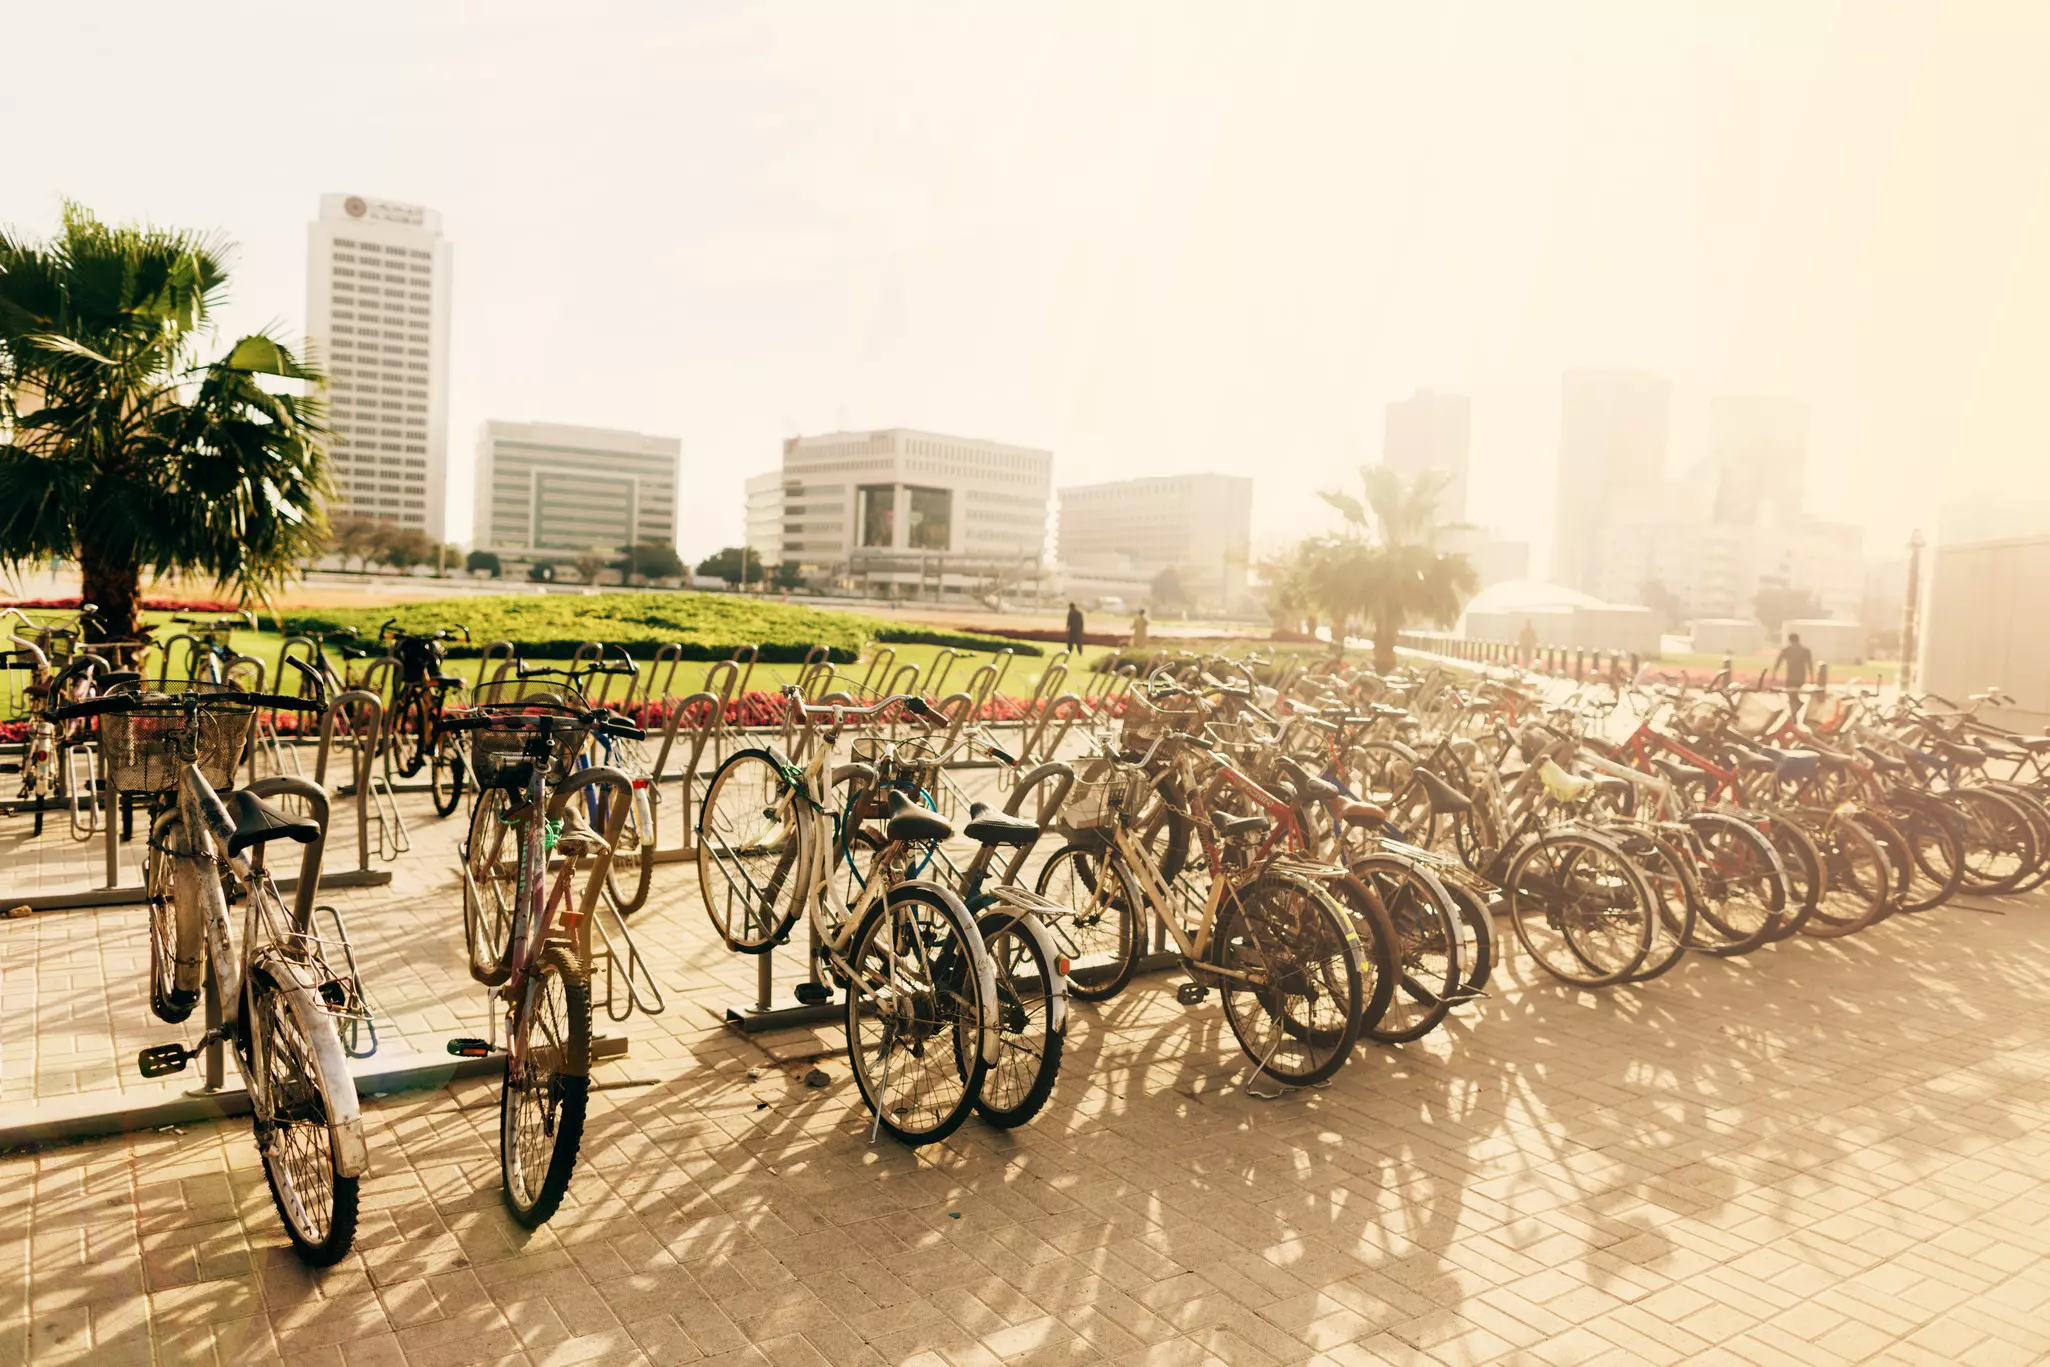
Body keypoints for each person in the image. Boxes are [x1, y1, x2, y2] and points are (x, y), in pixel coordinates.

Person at [1771, 631, 1815, 710]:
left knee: (1791, 695)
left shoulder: (1786, 650)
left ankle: (1797, 707)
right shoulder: (1805, 650)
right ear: (1798, 639)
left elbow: (1778, 662)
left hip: (1791, 677)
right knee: (1793, 695)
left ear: (1789, 640)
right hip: (1801, 676)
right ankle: (1796, 707)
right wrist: (1812, 677)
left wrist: (1774, 673)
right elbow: (1809, 664)